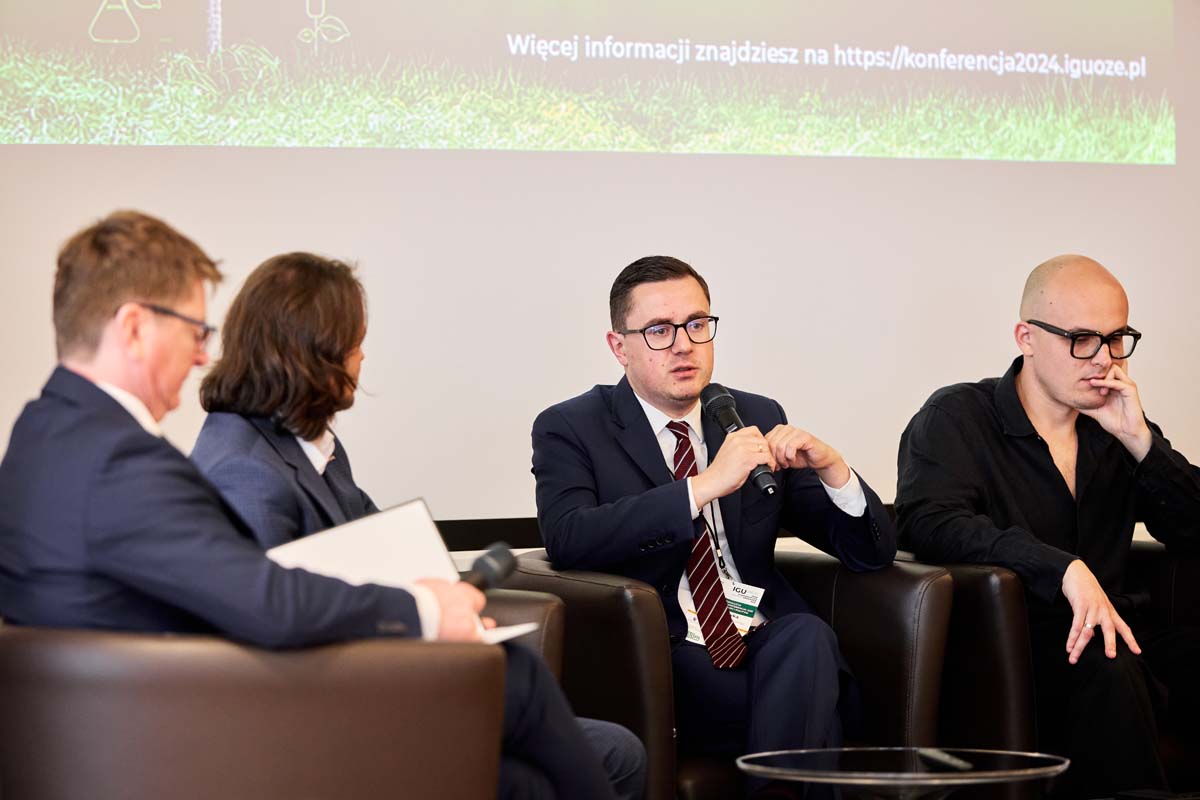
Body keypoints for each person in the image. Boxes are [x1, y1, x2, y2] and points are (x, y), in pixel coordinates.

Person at [0, 211, 620, 800]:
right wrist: (424, 609)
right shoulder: (119, 461)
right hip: (207, 735)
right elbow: (266, 600)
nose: (202, 355)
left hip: (152, 725)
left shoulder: (44, 435)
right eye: (194, 331)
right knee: (522, 695)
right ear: (134, 328)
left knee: (524, 779)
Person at [190, 250, 646, 800]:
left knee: (609, 753)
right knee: (535, 692)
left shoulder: (307, 444)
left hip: (377, 678)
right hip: (330, 718)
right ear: (315, 352)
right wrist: (425, 619)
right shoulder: (246, 472)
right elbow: (276, 638)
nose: (362, 358)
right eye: (354, 343)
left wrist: (445, 603)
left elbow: (381, 549)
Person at [530, 255, 897, 789]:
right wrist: (702, 487)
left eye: (697, 324)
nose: (684, 345)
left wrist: (834, 469)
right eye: (659, 330)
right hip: (668, 655)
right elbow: (569, 537)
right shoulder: (571, 426)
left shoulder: (751, 415)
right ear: (619, 347)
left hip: (765, 642)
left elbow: (868, 552)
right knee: (815, 690)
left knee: (805, 637)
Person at [896, 255, 1200, 797]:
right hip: (1017, 647)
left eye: (1116, 339)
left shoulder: (1115, 426)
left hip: (1121, 635)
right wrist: (1060, 568)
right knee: (1105, 664)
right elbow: (929, 522)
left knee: (1130, 654)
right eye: (1081, 339)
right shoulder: (957, 417)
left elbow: (1193, 528)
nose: (1104, 359)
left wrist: (1141, 443)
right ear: (1027, 338)